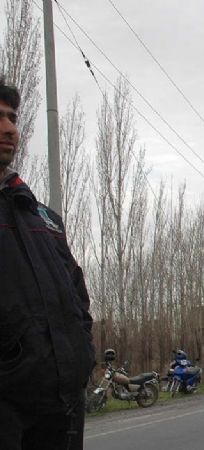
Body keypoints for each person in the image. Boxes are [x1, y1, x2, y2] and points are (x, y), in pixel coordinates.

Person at [0, 79, 95, 449]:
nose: (9, 129)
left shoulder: (43, 218)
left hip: (61, 406)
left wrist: (82, 355)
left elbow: (77, 296)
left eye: (12, 118)